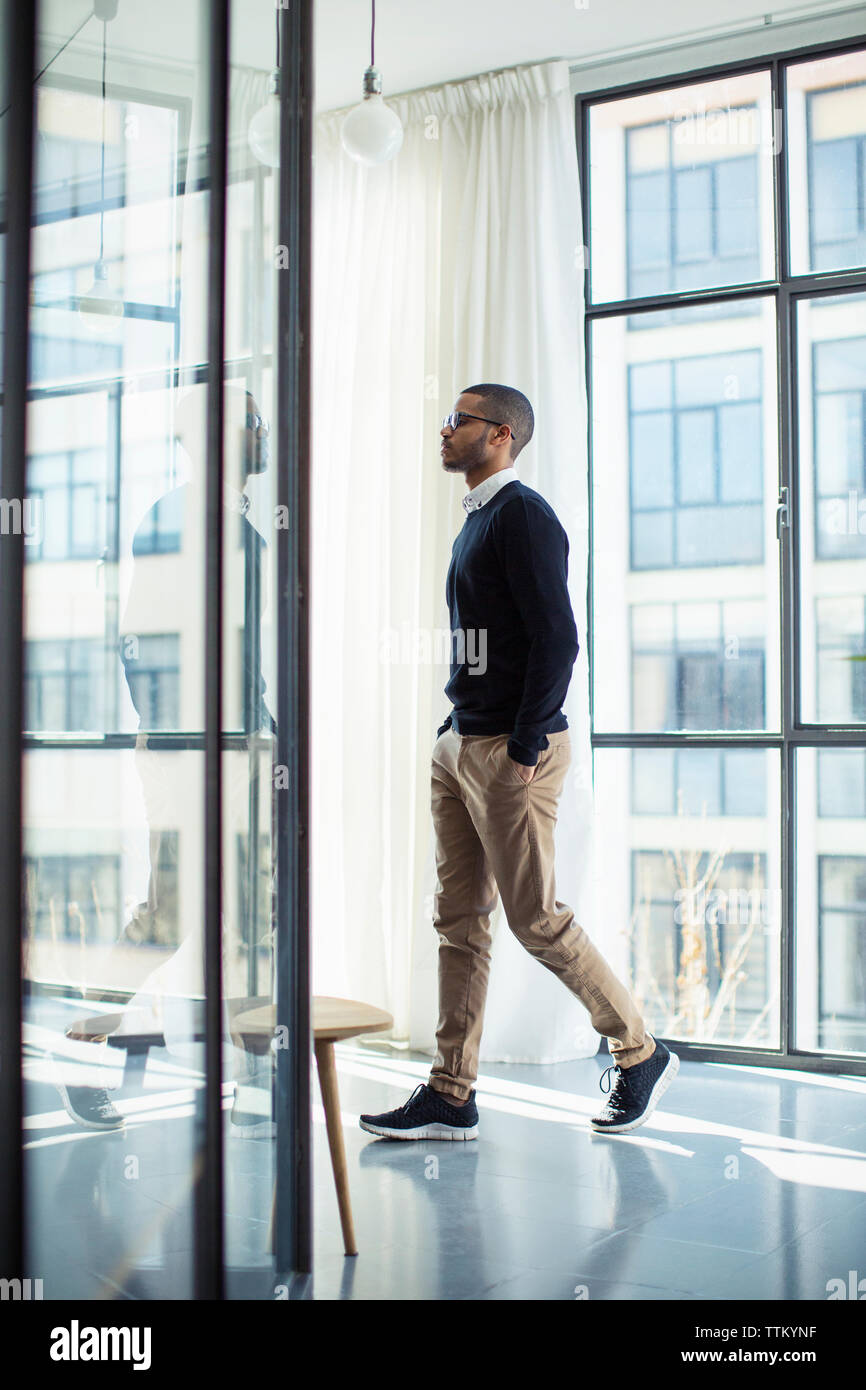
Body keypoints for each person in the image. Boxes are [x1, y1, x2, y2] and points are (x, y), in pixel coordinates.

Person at [359, 383, 678, 1141]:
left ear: (500, 435)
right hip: (463, 741)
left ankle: (640, 1051)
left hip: (512, 751)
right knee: (459, 923)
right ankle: (451, 1094)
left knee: (534, 918)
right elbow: (489, 640)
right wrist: (453, 724)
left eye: (458, 419)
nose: (444, 428)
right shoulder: (478, 519)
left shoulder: (523, 516)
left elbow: (558, 639)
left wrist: (527, 744)